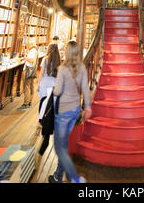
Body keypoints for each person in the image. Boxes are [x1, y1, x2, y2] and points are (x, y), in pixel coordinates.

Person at [49, 40, 92, 184]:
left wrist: (53, 90)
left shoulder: (63, 68)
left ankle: (74, 178)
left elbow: (58, 90)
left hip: (63, 111)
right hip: (75, 110)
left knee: (59, 147)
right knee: (64, 145)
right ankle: (57, 176)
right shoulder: (82, 68)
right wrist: (87, 107)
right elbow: (85, 89)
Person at [37, 43, 61, 116]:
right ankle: (48, 119)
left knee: (43, 101)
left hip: (44, 83)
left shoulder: (45, 59)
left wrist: (38, 85)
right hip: (53, 83)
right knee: (50, 103)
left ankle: (41, 119)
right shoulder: (58, 60)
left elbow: (41, 73)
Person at [18, 43, 39, 111]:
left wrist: (24, 58)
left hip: (28, 70)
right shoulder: (35, 51)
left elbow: (31, 60)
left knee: (26, 86)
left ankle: (25, 104)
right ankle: (30, 101)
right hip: (33, 70)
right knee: (31, 86)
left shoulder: (32, 51)